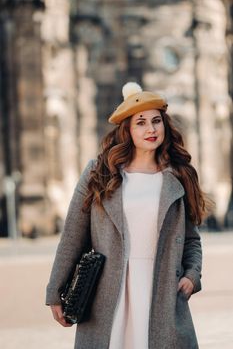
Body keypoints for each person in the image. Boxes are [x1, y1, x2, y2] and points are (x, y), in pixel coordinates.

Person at [46, 82, 211, 349]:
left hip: (162, 290)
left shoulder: (178, 177)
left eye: (156, 121)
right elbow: (72, 237)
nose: (151, 129)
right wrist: (55, 291)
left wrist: (192, 276)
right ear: (127, 129)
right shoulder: (98, 173)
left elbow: (191, 240)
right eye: (141, 122)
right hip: (108, 291)